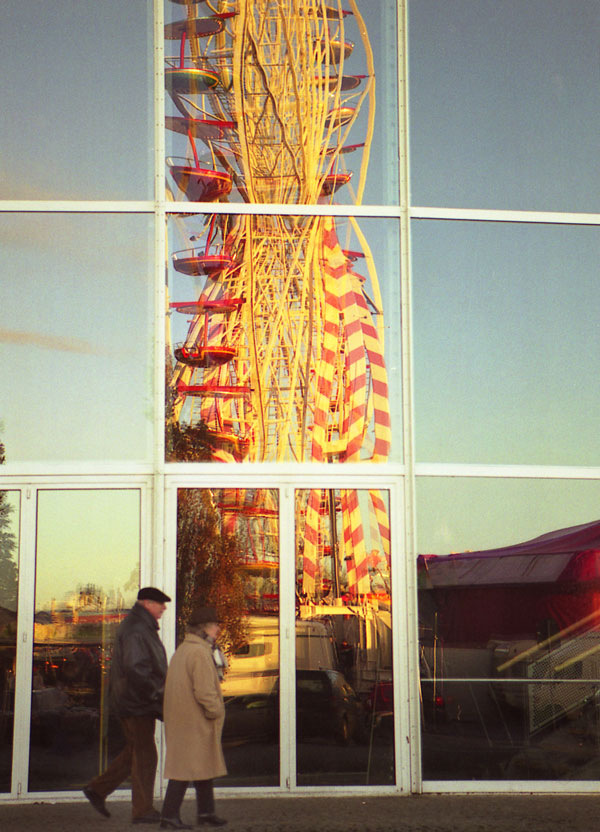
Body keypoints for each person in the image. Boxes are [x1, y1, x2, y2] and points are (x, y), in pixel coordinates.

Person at [83, 587, 171, 824]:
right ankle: (142, 810)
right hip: (137, 702)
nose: (164, 608)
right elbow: (137, 668)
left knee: (135, 749)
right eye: (160, 603)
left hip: (134, 700)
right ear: (146, 603)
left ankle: (97, 789)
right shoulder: (137, 629)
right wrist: (156, 693)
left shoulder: (139, 626)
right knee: (145, 753)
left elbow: (139, 667)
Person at [160, 606, 228, 830]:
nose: (218, 628)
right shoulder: (199, 652)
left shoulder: (185, 649)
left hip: (185, 719)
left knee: (201, 766)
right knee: (184, 769)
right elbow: (204, 691)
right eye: (215, 624)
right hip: (195, 721)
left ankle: (206, 812)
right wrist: (216, 711)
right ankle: (169, 815)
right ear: (205, 628)